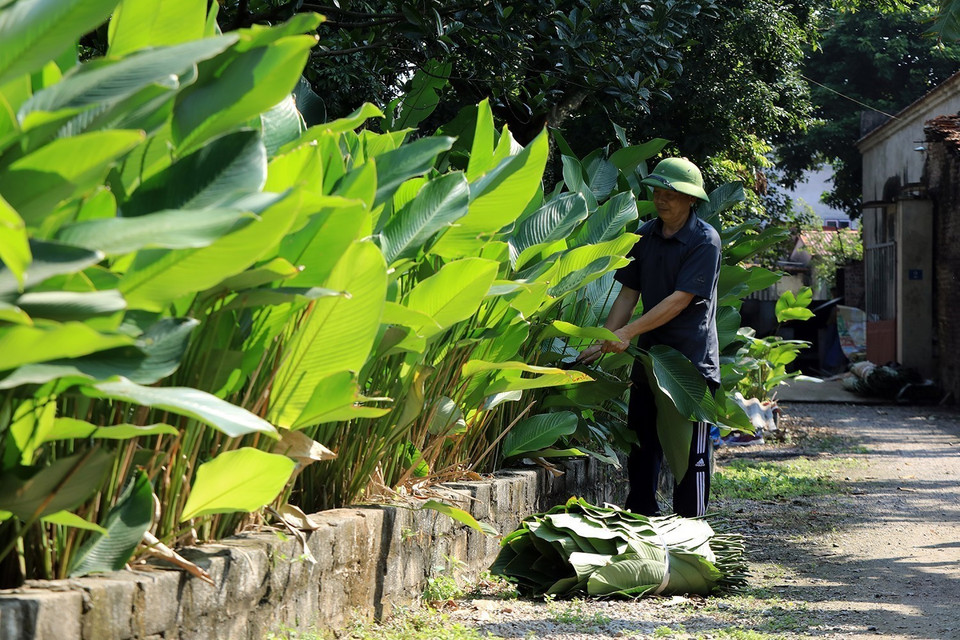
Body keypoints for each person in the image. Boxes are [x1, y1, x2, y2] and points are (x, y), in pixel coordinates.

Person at [579, 157, 722, 518]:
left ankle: (693, 529)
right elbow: (628, 294)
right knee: (643, 446)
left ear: (691, 200)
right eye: (657, 191)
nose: (662, 199)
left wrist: (626, 333)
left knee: (691, 454)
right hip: (649, 361)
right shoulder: (644, 235)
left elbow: (679, 300)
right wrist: (603, 338)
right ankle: (643, 520)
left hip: (690, 366)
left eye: (671, 194)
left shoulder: (704, 240)